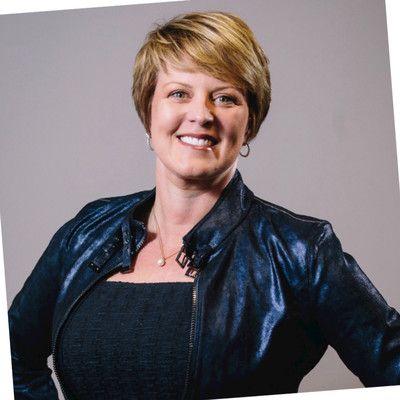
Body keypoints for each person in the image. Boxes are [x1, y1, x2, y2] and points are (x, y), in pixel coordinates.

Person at [8, 11, 400, 400]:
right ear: (148, 111)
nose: (201, 115)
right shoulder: (86, 232)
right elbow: (13, 358)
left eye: (225, 98)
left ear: (249, 123)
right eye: (179, 93)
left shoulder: (300, 251)